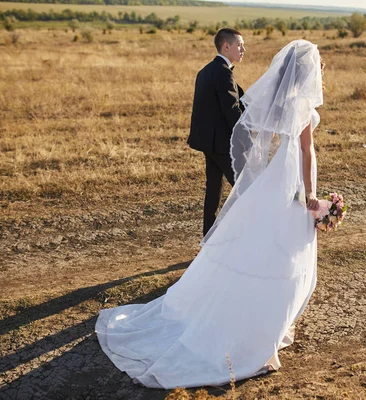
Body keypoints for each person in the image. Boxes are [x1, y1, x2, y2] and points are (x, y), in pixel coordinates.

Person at [95, 39, 323, 389]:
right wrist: (311, 193)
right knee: (283, 253)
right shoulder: (303, 105)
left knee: (257, 246)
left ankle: (257, 327)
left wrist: (258, 175)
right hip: (290, 182)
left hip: (273, 180)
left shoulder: (280, 101)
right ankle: (261, 338)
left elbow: (257, 137)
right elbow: (307, 152)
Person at [188, 28, 246, 237]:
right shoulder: (223, 73)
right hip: (222, 145)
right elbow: (232, 111)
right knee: (246, 189)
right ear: (226, 46)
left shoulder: (206, 70)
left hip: (208, 143)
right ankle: (237, 237)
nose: (243, 50)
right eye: (240, 45)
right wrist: (248, 139)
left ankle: (208, 240)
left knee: (214, 191)